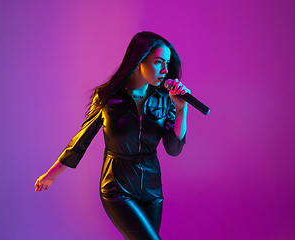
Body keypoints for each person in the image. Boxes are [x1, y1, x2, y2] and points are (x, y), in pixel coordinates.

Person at [34, 31, 190, 240]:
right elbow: (82, 139)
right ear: (139, 60)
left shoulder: (165, 98)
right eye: (158, 62)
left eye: (167, 63)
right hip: (118, 186)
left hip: (152, 188)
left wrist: (181, 109)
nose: (164, 70)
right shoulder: (107, 96)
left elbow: (173, 149)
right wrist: (53, 173)